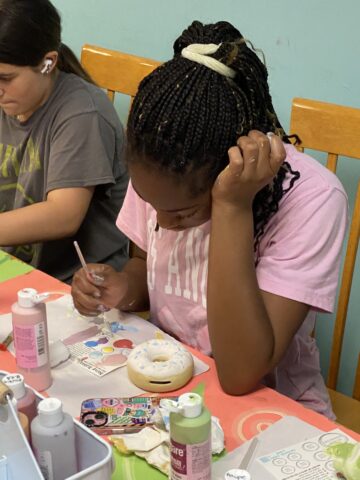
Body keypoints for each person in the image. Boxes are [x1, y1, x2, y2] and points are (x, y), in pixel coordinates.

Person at [72, 21, 348, 418]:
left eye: (183, 214)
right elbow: (144, 266)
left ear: (226, 170)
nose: (163, 225)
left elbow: (241, 374)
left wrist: (233, 207)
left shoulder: (313, 198)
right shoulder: (159, 162)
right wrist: (123, 288)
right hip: (175, 386)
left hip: (273, 410)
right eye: (153, 206)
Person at [0, 0, 129, 282]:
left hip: (76, 285)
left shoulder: (83, 113)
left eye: (5, 77)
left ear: (48, 63)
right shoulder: (11, 100)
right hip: (15, 268)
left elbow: (63, 215)